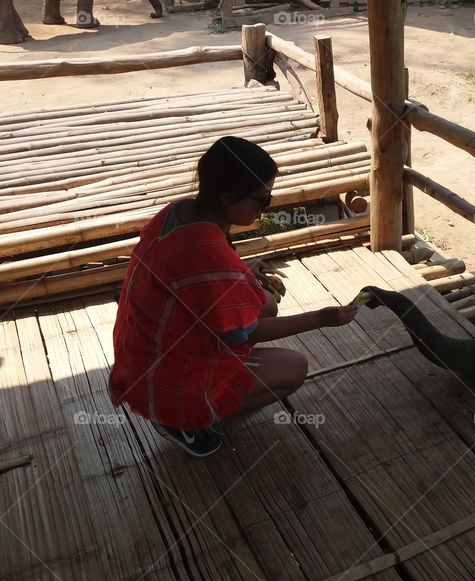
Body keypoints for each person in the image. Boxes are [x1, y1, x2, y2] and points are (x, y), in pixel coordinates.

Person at [109, 136, 359, 457]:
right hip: (166, 382)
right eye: (262, 201)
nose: (264, 209)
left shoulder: (178, 212)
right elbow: (245, 332)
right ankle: (184, 420)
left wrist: (240, 271)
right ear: (228, 197)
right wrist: (322, 318)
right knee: (294, 368)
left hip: (140, 359)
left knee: (265, 304)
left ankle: (184, 402)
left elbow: (194, 277)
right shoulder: (209, 254)